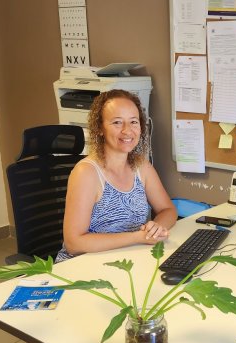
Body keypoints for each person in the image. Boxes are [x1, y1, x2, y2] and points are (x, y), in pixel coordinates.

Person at [56, 89, 177, 262]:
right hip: (83, 265)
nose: (127, 130)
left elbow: (168, 210)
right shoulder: (86, 173)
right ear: (100, 128)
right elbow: (74, 243)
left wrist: (156, 228)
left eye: (133, 122)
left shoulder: (141, 166)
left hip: (127, 259)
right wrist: (137, 237)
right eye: (117, 122)